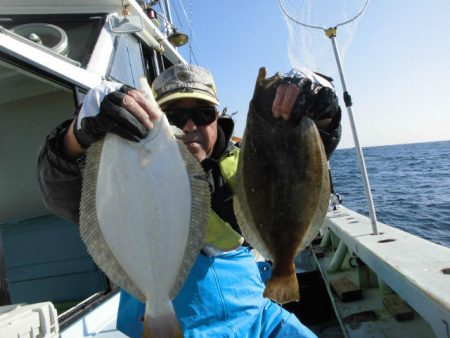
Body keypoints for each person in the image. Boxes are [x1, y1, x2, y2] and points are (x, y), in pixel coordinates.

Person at [37, 64, 341, 337]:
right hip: (162, 324)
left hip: (256, 316)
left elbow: (301, 174)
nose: (191, 126)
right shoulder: (127, 169)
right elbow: (62, 191)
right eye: (175, 116)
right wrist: (75, 138)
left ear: (217, 118)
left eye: (203, 114)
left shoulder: (247, 163)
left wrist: (324, 119)